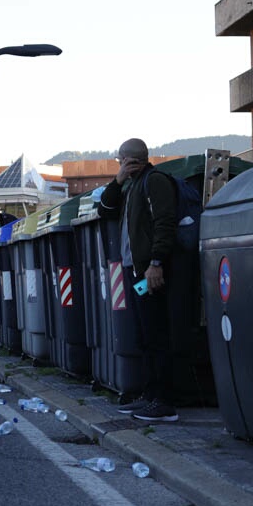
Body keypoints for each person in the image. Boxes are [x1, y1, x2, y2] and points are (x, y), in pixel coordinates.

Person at [99, 138, 179, 422]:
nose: (119, 165)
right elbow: (104, 210)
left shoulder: (153, 182)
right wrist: (118, 180)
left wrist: (156, 263)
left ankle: (163, 401)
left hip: (150, 272)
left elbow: (165, 223)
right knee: (144, 335)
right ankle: (149, 394)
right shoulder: (131, 185)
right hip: (136, 274)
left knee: (156, 334)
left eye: (121, 160)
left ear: (130, 159)